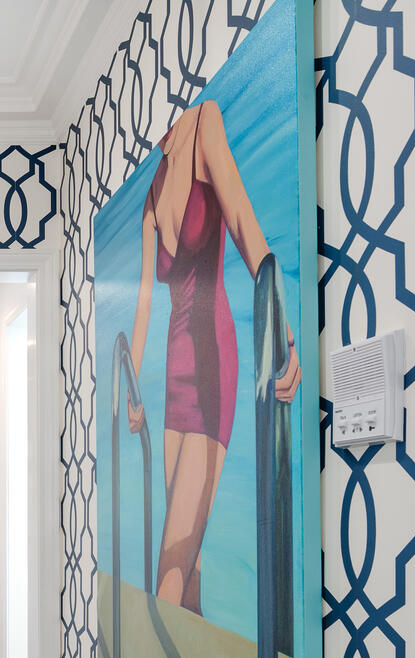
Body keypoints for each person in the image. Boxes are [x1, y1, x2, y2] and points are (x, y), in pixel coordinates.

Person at [125, 100, 301, 614]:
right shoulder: (152, 193)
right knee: (189, 561)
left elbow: (243, 220)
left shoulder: (205, 122)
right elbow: (142, 304)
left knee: (169, 570)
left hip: (212, 363)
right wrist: (132, 390)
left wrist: (282, 331)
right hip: (173, 371)